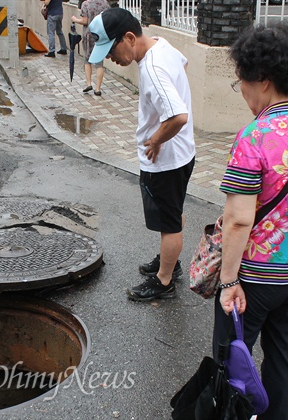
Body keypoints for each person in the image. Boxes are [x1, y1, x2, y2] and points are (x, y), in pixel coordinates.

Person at [213, 21, 288, 419]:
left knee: (231, 357)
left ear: (263, 80)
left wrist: (229, 280)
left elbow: (237, 220)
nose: (243, 92)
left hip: (255, 276)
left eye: (242, 82)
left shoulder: (255, 135)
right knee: (284, 355)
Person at [88, 8, 195, 301]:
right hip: (183, 153)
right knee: (172, 214)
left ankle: (164, 281)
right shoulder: (161, 44)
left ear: (130, 37)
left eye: (111, 51)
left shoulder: (152, 68)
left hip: (167, 159)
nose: (111, 59)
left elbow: (178, 116)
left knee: (169, 222)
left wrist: (155, 140)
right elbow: (182, 67)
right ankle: (168, 261)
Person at [71, 0, 111, 96]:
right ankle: (98, 88)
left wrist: (75, 20)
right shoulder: (105, 4)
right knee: (99, 62)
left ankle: (88, 83)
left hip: (89, 35)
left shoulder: (86, 4)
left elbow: (85, 21)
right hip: (101, 35)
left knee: (87, 59)